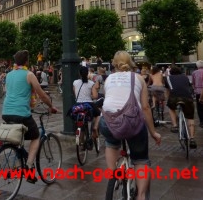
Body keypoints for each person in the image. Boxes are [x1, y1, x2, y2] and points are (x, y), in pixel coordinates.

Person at [99, 51, 161, 200]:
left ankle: (114, 176)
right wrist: (153, 132)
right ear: (131, 62)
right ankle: (140, 195)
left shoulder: (108, 79)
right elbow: (145, 108)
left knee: (111, 143)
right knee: (140, 159)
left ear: (114, 63)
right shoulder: (138, 78)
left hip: (108, 122)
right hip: (131, 123)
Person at [2, 50, 58, 184]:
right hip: (21, 112)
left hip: (6, 112)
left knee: (18, 138)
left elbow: (9, 91)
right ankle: (29, 165)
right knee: (35, 136)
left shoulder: (8, 75)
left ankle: (19, 164)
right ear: (26, 61)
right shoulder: (29, 74)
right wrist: (51, 106)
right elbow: (42, 95)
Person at [165, 66, 197, 148]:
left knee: (171, 108)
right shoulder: (185, 77)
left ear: (170, 72)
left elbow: (167, 91)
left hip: (174, 97)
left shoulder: (168, 78)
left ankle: (175, 125)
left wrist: (167, 100)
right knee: (190, 118)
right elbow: (190, 87)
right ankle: (192, 138)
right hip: (187, 98)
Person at [73, 66, 100, 138]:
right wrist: (89, 96)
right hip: (89, 104)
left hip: (78, 104)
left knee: (80, 123)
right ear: (87, 73)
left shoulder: (75, 82)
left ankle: (81, 142)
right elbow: (95, 96)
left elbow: (75, 95)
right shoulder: (91, 83)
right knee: (98, 114)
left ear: (79, 73)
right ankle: (95, 127)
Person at [191, 60, 203, 128]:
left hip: (198, 92)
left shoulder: (194, 72)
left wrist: (194, 89)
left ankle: (202, 121)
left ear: (197, 66)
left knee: (200, 107)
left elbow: (193, 83)